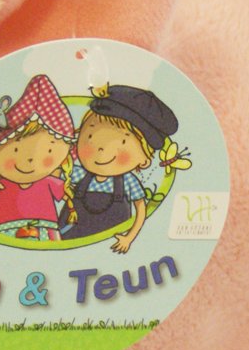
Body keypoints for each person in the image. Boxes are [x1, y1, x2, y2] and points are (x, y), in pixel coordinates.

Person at [0, 75, 77, 252]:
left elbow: (68, 194)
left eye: (48, 151)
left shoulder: (49, 182)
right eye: (16, 150)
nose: (30, 160)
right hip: (4, 237)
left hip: (46, 234)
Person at [59, 84, 178, 253]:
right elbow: (54, 175)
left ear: (144, 160)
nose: (101, 149)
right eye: (90, 136)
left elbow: (140, 210)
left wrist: (129, 238)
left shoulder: (129, 182)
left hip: (109, 247)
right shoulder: (78, 173)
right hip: (71, 239)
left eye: (122, 142)